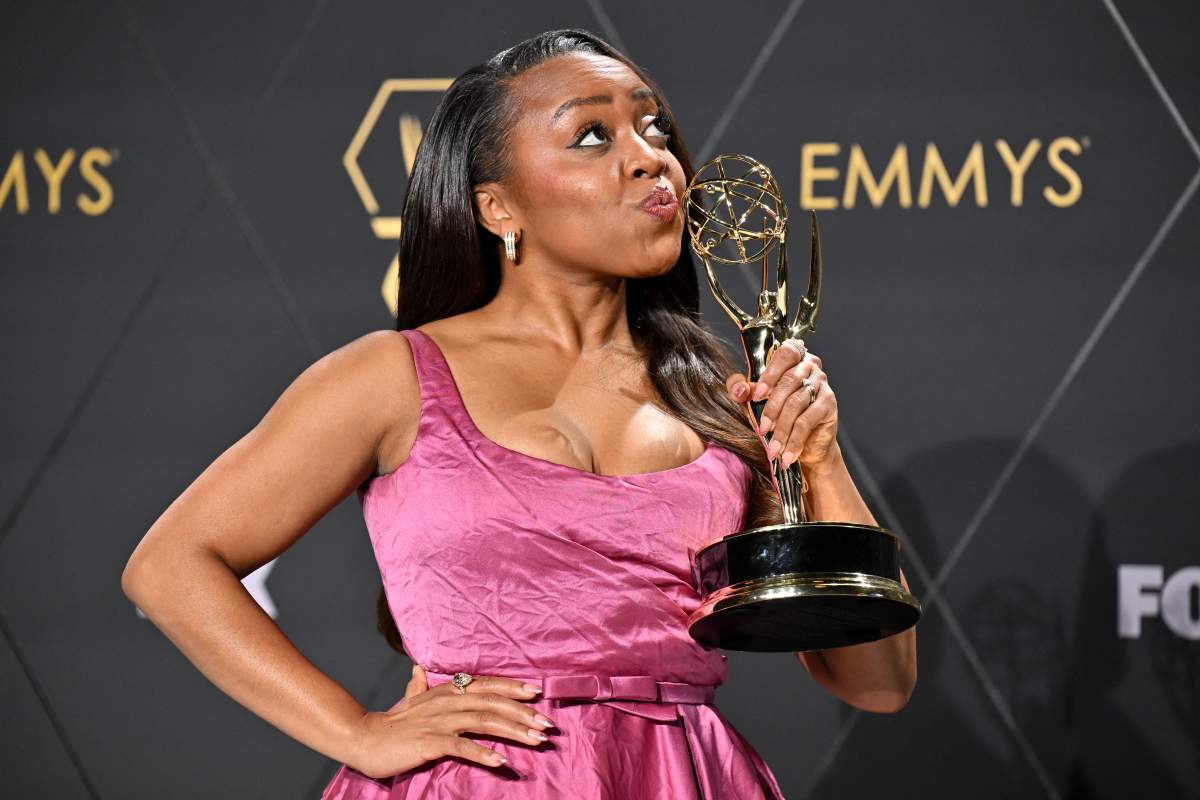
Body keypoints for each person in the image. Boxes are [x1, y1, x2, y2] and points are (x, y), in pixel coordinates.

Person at [121, 28, 916, 799]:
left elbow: (877, 681)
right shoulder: (392, 376)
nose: (650, 157)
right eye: (592, 137)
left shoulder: (717, 393)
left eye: (651, 126)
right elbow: (169, 567)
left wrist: (817, 458)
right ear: (498, 207)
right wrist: (357, 731)